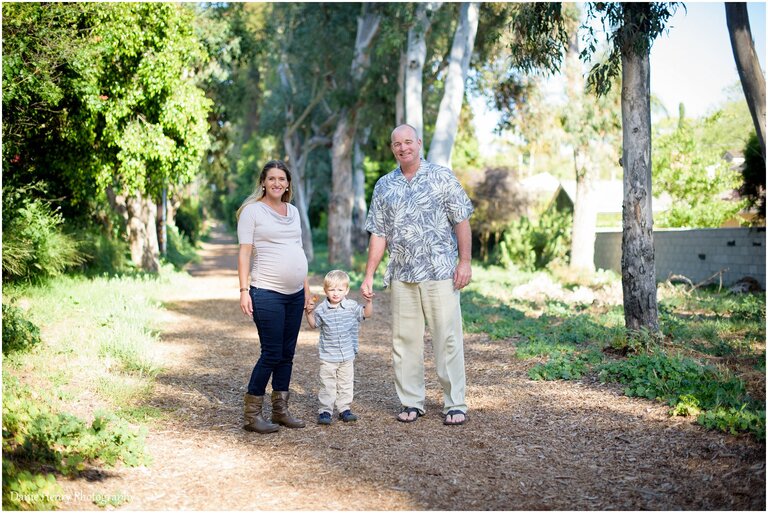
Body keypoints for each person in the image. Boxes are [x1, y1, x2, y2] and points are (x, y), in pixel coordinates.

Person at [361, 124, 473, 426]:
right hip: (402, 272)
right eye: (396, 143)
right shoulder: (384, 185)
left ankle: (454, 403)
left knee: (447, 338)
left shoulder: (441, 176)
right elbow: (379, 233)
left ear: (418, 143)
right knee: (404, 340)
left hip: (440, 271)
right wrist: (369, 274)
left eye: (408, 141)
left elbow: (461, 220)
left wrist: (465, 261)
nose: (403, 147)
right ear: (392, 148)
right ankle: (411, 402)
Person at [237, 159, 310, 434]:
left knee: (287, 354)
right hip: (266, 291)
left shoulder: (292, 211)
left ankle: (280, 411)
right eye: (272, 179)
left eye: (282, 178)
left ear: (288, 183)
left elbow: (297, 249)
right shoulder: (252, 212)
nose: (277, 183)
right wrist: (244, 290)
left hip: (295, 294)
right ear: (263, 183)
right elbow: (245, 253)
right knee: (271, 353)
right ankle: (252, 415)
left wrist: (306, 290)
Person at [305, 270, 373, 425]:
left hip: (347, 355)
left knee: (345, 383)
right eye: (332, 290)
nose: (336, 293)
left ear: (347, 290)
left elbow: (367, 314)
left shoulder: (351, 306)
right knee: (327, 384)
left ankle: (344, 409)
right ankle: (325, 411)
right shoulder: (322, 309)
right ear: (325, 291)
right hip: (328, 356)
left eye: (340, 290)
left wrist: (368, 302)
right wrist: (308, 312)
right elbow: (313, 324)